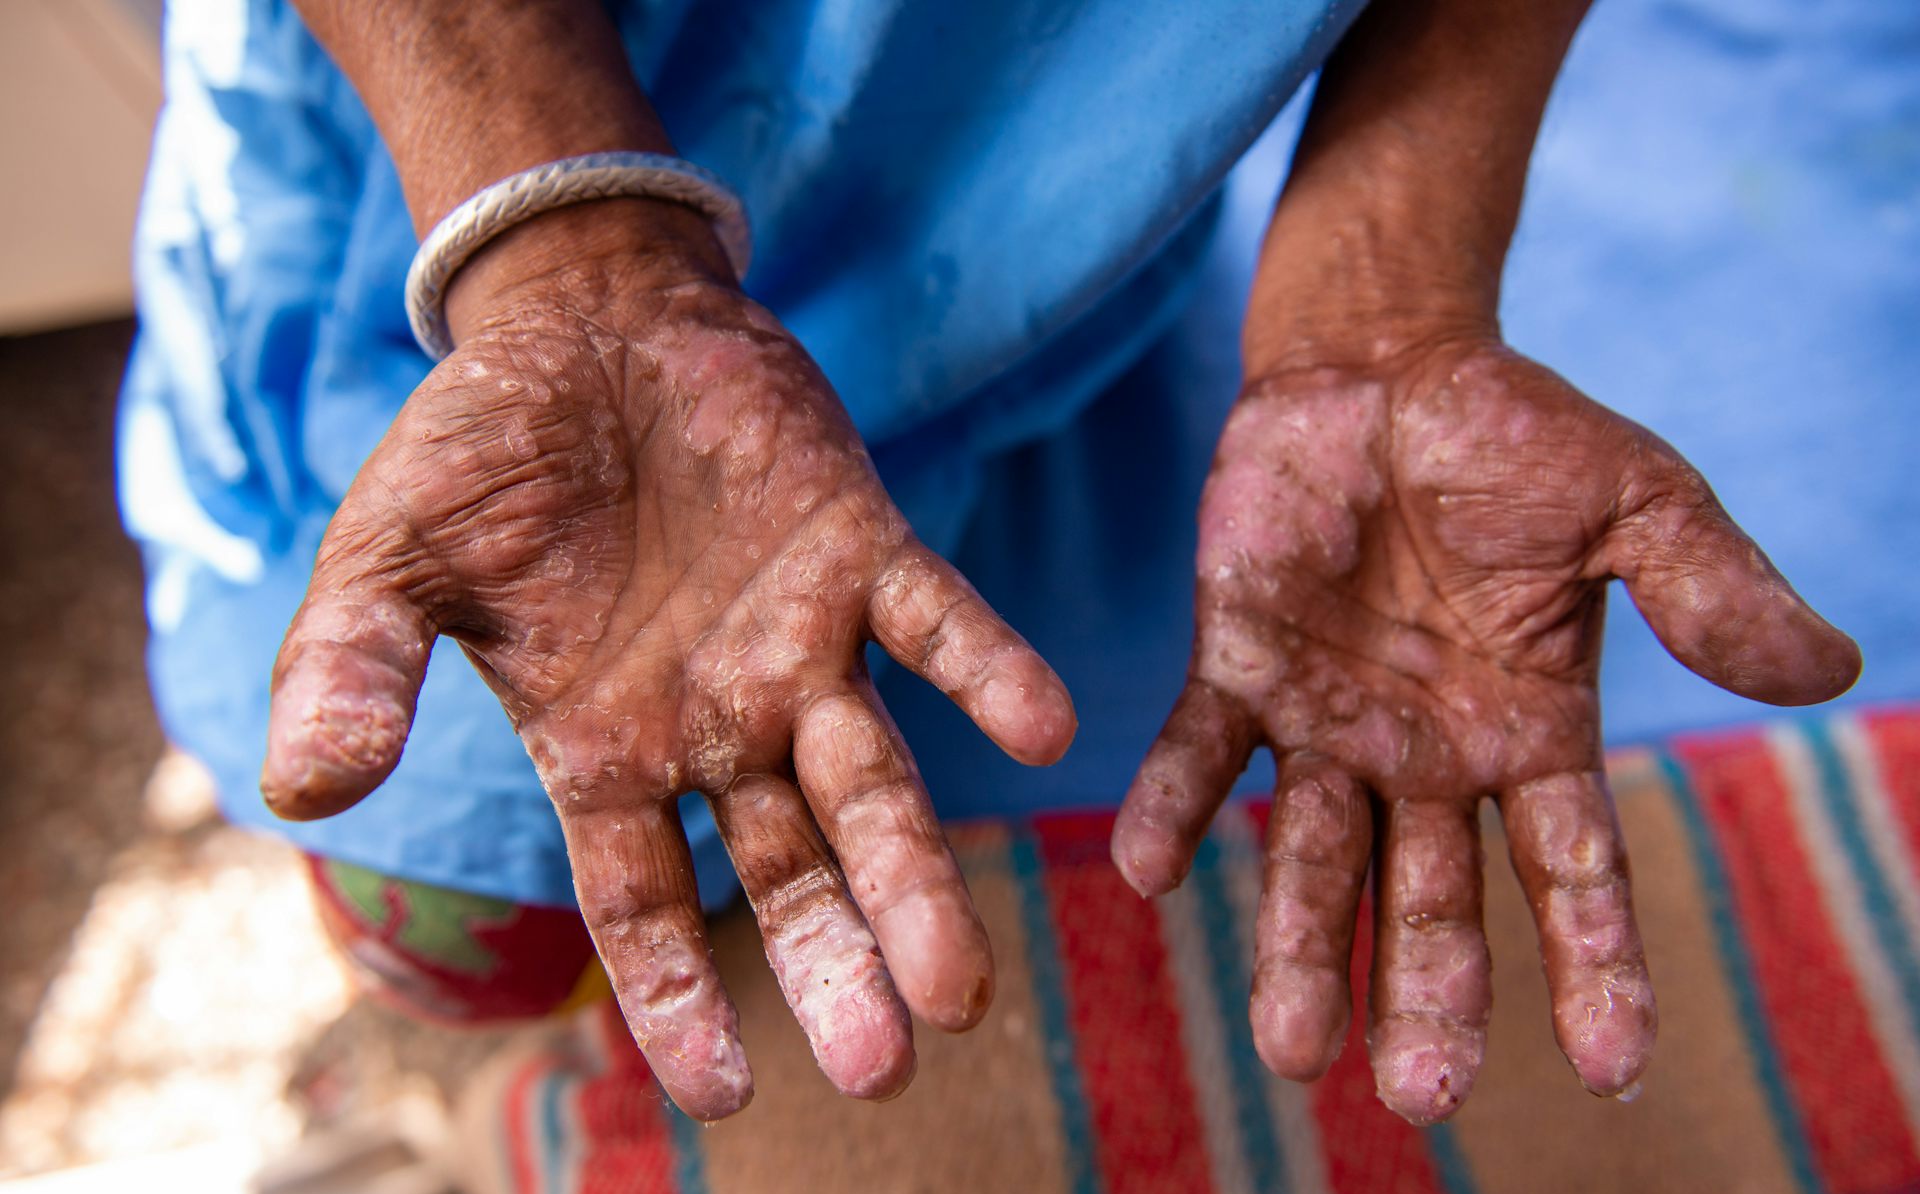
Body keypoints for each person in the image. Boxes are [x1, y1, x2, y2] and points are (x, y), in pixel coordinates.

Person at [120, 0, 1871, 1131]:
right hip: (469, 163)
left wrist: (1382, 295)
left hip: (1034, 136)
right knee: (470, 922)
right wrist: (566, 256)